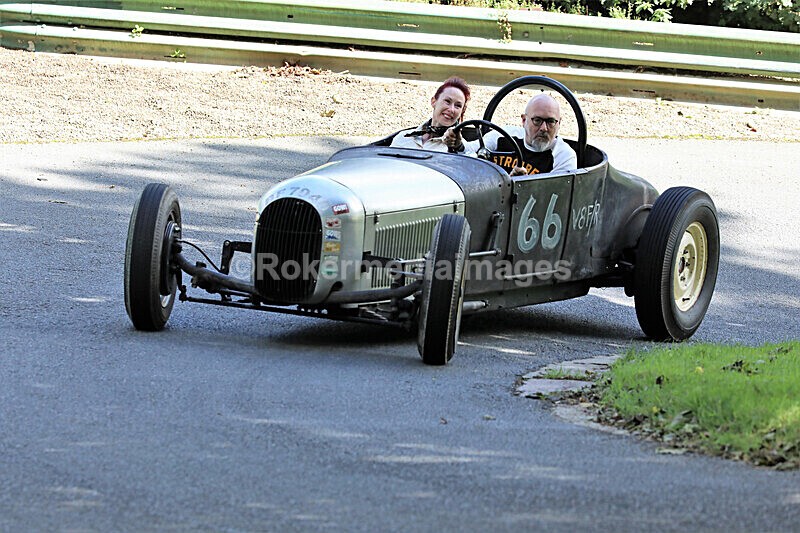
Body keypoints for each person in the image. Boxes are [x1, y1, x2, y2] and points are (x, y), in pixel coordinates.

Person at [465, 93, 577, 175]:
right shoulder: (503, 136)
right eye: (537, 120)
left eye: (551, 121)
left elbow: (554, 196)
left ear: (559, 123)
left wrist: (522, 186)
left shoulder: (563, 156)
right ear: (524, 120)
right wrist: (458, 144)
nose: (544, 128)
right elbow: (468, 151)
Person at [390, 76, 470, 152]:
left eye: (458, 106)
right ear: (433, 101)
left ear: (462, 111)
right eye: (447, 101)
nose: (451, 109)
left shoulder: (463, 149)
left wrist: (458, 148)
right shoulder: (403, 138)